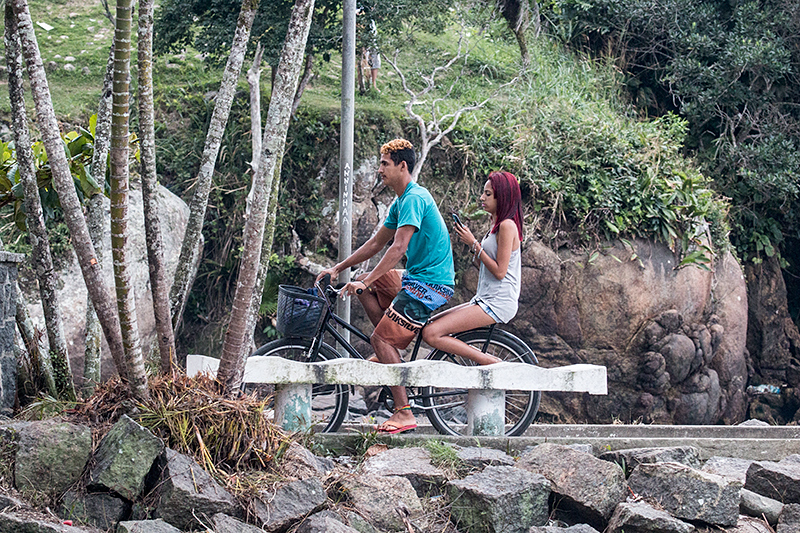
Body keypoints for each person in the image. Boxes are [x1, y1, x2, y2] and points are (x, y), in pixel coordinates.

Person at [316, 139, 455, 434]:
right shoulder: (401, 200)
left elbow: (397, 247)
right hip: (416, 277)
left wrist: (365, 279)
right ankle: (391, 342)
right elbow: (376, 243)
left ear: (402, 166)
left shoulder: (415, 198)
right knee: (371, 284)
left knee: (381, 335)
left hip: (431, 284)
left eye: (384, 164)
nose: (379, 169)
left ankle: (403, 411)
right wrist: (340, 269)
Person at [422, 171, 523, 365]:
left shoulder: (507, 226)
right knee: (430, 325)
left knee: (431, 333)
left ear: (501, 196)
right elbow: (485, 265)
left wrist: (474, 243)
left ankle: (490, 362)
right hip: (485, 298)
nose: (482, 198)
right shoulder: (495, 226)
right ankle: (483, 359)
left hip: (498, 302)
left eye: (488, 194)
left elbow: (500, 272)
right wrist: (472, 245)